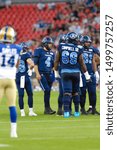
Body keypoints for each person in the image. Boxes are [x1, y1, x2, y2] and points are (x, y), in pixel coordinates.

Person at [54, 32, 91, 118]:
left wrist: (56, 72)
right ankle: (77, 112)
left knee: (66, 92)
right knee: (76, 93)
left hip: (65, 72)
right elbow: (82, 63)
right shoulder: (79, 48)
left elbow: (56, 61)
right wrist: (87, 75)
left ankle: (66, 112)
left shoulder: (61, 46)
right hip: (76, 73)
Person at [0, 25, 21, 138]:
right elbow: (17, 64)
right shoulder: (17, 48)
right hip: (11, 80)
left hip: (0, 79)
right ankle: (13, 132)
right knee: (12, 106)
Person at [34, 36, 56, 115]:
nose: (51, 45)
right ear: (45, 44)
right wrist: (37, 73)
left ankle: (47, 108)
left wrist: (54, 73)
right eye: (49, 44)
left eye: (51, 44)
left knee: (48, 91)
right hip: (42, 73)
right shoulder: (38, 51)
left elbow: (53, 65)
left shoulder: (52, 53)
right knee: (46, 90)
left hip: (49, 74)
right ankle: (47, 108)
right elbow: (35, 64)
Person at [80, 35, 100, 115]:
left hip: (91, 73)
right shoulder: (79, 49)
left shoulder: (93, 49)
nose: (88, 43)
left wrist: (96, 71)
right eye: (86, 42)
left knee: (92, 92)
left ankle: (93, 109)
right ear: (83, 42)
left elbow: (98, 59)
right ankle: (82, 109)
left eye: (89, 42)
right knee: (83, 92)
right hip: (82, 74)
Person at [16, 42, 37, 117]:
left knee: (21, 95)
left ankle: (22, 112)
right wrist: (30, 70)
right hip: (25, 77)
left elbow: (15, 66)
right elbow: (32, 64)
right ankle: (30, 111)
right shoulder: (26, 54)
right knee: (30, 94)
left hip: (18, 77)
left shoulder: (16, 55)